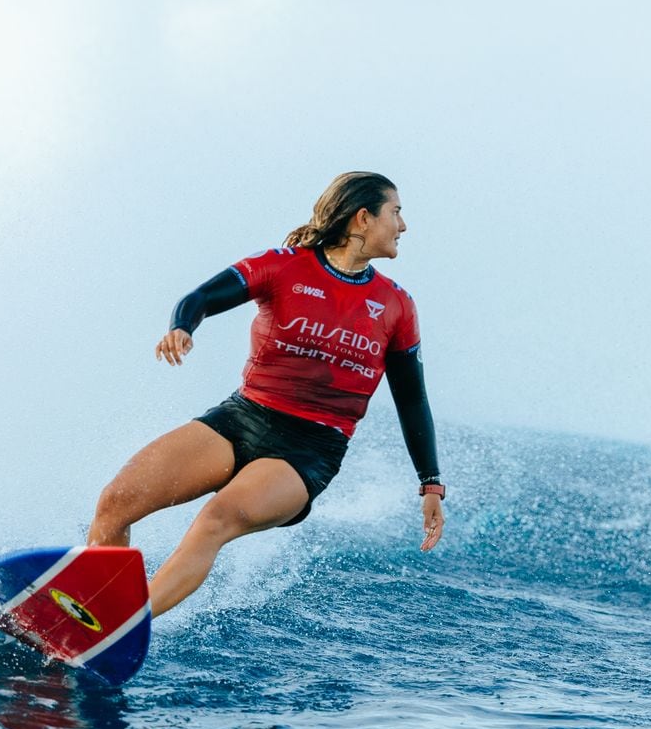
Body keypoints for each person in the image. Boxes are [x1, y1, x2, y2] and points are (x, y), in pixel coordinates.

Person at [86, 172, 444, 617]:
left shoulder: (395, 305)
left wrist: (430, 482)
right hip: (243, 417)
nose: (403, 226)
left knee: (215, 520)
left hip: (309, 448)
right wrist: (182, 325)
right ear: (363, 218)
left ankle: (120, 626)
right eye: (397, 212)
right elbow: (200, 297)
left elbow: (412, 400)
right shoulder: (283, 266)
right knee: (115, 501)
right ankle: (93, 610)